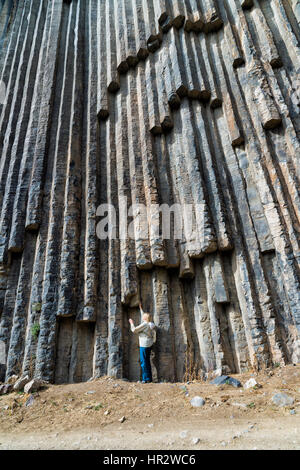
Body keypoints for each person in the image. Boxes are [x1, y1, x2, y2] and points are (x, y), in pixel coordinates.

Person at [129, 303, 156, 383]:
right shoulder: (149, 324)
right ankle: (149, 378)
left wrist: (131, 323)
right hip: (149, 344)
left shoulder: (144, 324)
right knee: (147, 361)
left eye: (143, 315)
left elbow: (134, 330)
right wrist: (141, 309)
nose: (142, 316)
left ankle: (145, 379)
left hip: (144, 345)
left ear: (145, 318)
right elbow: (144, 317)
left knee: (143, 362)